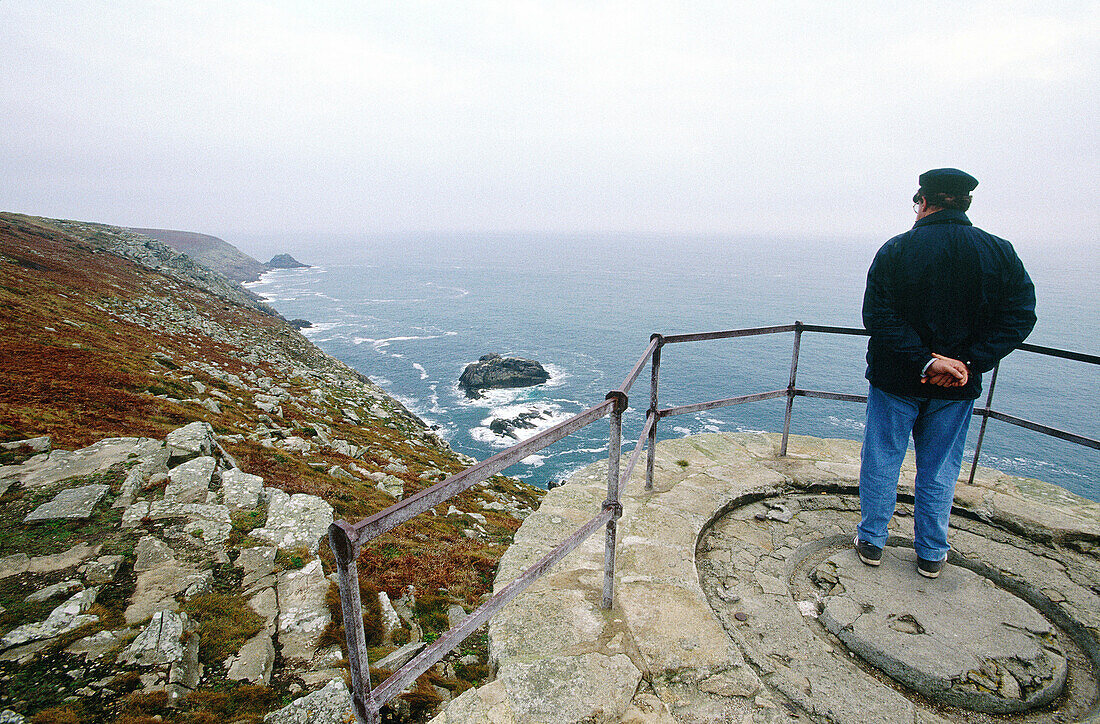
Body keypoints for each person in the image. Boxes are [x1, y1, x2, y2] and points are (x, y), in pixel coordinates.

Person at [856, 168, 1036, 578]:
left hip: (897, 379)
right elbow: (1020, 316)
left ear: (923, 201)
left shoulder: (897, 249)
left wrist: (925, 361)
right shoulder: (999, 252)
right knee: (939, 469)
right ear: (966, 203)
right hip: (957, 387)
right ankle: (932, 552)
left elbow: (878, 317)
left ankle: (872, 541)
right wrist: (967, 364)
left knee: (882, 460)